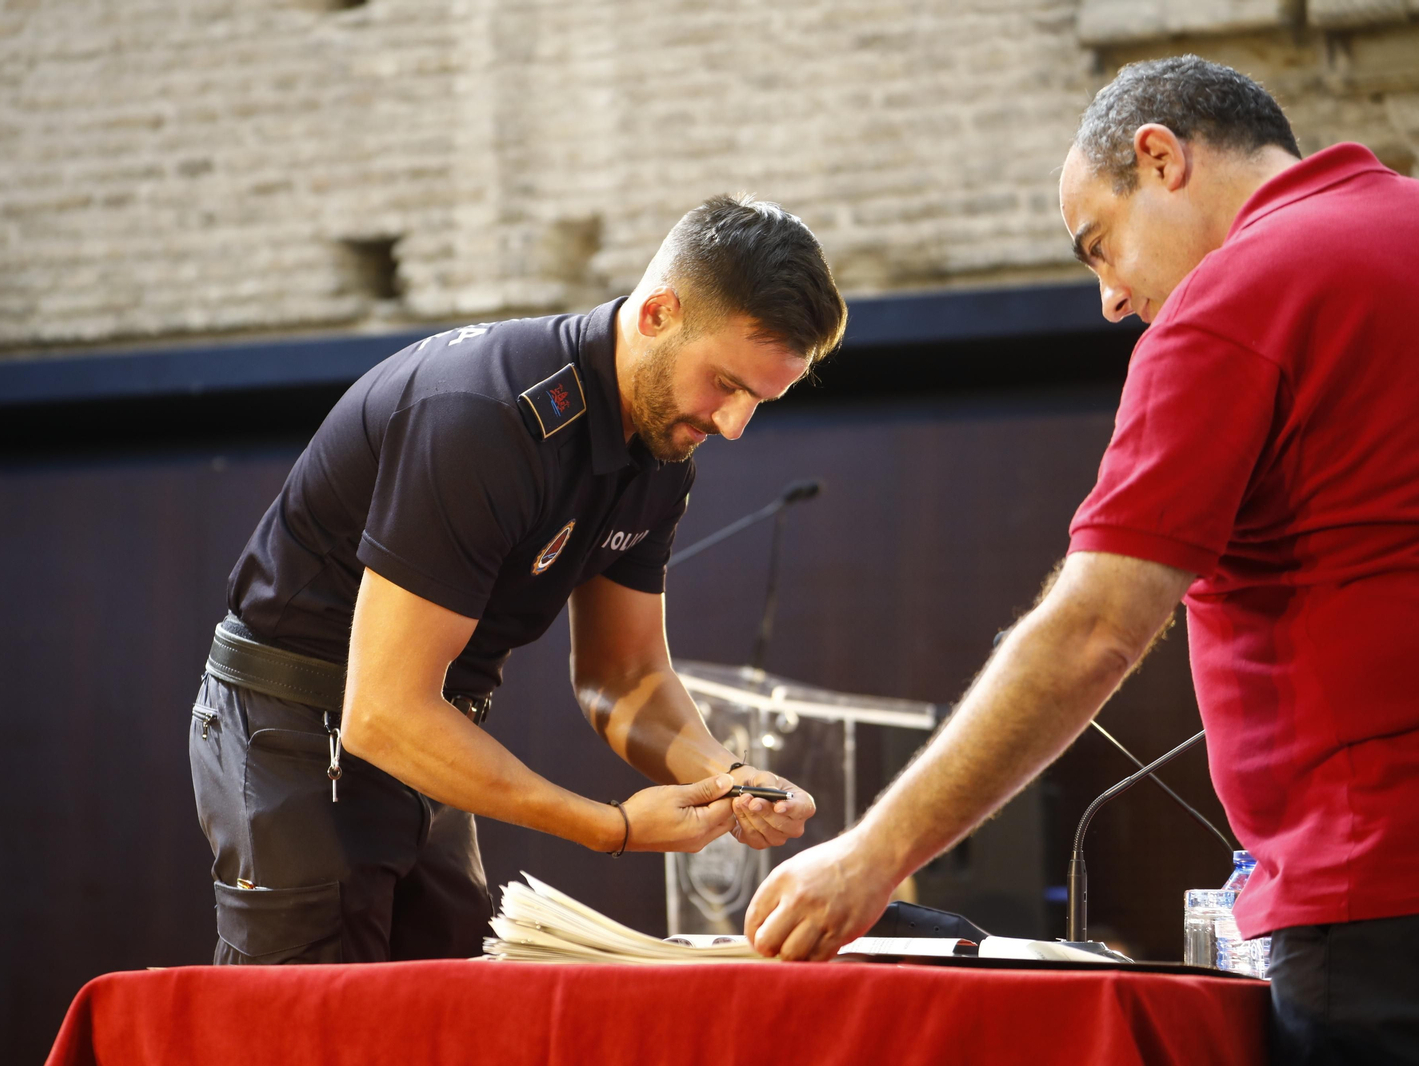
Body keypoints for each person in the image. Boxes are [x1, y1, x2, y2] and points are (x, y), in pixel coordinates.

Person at [745, 56, 1419, 1064]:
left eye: (1100, 244)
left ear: (1160, 159)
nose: (1109, 299)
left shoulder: (1235, 297)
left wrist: (871, 857)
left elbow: (1095, 626)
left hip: (1379, 899)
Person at [189, 194, 841, 965]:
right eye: (726, 385)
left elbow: (623, 674)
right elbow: (382, 713)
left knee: (453, 1005)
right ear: (658, 313)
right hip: (297, 732)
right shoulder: (483, 418)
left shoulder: (665, 452)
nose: (732, 425)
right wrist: (611, 828)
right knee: (314, 1016)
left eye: (758, 401)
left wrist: (728, 779)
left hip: (430, 733)